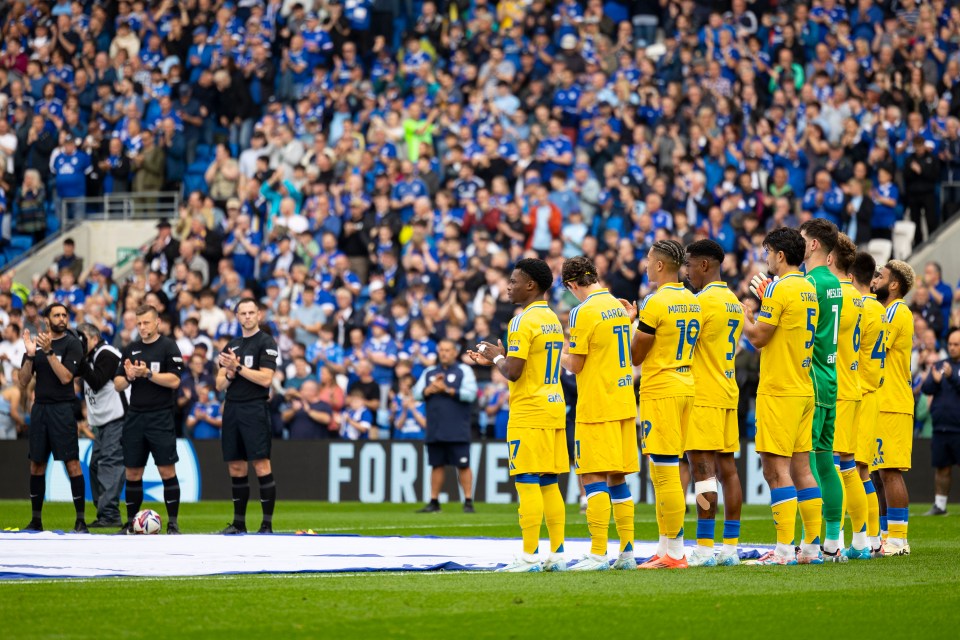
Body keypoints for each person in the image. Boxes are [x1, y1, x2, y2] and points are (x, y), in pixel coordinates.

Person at [468, 258, 568, 573]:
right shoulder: (551, 318)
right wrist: (499, 358)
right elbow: (525, 362)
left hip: (529, 409)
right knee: (550, 483)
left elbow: (514, 371)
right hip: (553, 405)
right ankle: (558, 553)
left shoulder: (521, 321)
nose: (508, 286)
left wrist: (498, 356)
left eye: (513, 281)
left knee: (526, 481)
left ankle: (529, 557)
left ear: (530, 285)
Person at [743, 227, 824, 565]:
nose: (766, 258)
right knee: (803, 468)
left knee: (776, 470)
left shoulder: (779, 288)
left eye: (767, 252)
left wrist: (744, 317)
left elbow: (760, 337)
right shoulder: (808, 287)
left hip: (779, 389)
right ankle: (811, 548)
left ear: (779, 254)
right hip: (804, 386)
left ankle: (782, 551)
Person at [620, 240, 701, 570]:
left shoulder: (656, 301)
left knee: (665, 473)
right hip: (686, 384)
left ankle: (676, 552)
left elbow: (635, 355)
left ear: (659, 266)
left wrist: (631, 322)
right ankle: (666, 546)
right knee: (668, 469)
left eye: (648, 260)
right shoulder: (691, 299)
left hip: (662, 389)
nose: (644, 265)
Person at [559, 255, 639, 571]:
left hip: (597, 402)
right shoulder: (618, 307)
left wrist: (556, 354)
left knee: (592, 475)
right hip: (622, 400)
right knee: (617, 477)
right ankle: (628, 552)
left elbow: (576, 364)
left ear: (571, 284)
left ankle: (597, 553)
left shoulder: (582, 311)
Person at [682, 239, 744, 567]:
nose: (687, 272)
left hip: (703, 392)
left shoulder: (700, 302)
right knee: (728, 470)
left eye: (689, 265)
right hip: (727, 389)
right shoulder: (734, 300)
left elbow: (684, 346)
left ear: (704, 265)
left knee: (703, 469)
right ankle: (730, 547)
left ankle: (705, 548)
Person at [113, 305, 185, 535]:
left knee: (166, 470)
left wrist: (148, 374)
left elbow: (174, 381)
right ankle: (131, 523)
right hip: (135, 416)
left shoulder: (168, 346)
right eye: (139, 323)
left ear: (157, 323)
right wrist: (129, 376)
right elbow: (117, 384)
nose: (142, 327)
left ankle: (173, 523)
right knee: (133, 472)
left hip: (160, 416)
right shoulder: (131, 349)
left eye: (146, 323)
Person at [798, 218, 845, 561]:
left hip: (811, 378)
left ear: (813, 245)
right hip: (831, 377)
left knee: (807, 463)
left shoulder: (808, 284)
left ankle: (811, 542)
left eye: (801, 239)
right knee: (827, 462)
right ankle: (833, 541)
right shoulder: (836, 284)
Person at [19, 303, 87, 532]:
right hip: (40, 410)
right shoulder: (36, 345)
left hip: (63, 409)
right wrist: (30, 356)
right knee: (36, 465)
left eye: (64, 315)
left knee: (72, 464)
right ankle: (36, 520)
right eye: (56, 315)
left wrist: (48, 352)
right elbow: (23, 380)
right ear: (47, 320)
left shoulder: (72, 343)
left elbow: (66, 377)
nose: (62, 318)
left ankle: (80, 520)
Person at [216, 298, 280, 534]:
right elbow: (219, 383)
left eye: (251, 312)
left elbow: (266, 379)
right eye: (243, 313)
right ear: (237, 316)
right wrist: (231, 372)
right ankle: (239, 523)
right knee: (235, 466)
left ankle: (266, 525)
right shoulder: (231, 345)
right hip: (232, 407)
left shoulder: (266, 342)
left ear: (259, 315)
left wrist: (238, 368)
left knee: (261, 464)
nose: (247, 317)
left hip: (255, 407)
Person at [826, 235, 871, 559]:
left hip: (837, 387)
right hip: (853, 385)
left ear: (830, 258)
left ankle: (834, 540)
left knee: (831, 466)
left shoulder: (835, 293)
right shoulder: (858, 296)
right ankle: (860, 540)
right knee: (848, 466)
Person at [872, 260, 916, 557]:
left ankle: (899, 538)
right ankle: (888, 535)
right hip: (881, 400)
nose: (875, 280)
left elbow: (875, 347)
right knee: (877, 472)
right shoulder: (889, 311)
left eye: (880, 276)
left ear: (895, 284)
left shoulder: (897, 311)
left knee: (890, 471)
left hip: (893, 402)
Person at [413, 338, 478, 514]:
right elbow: (416, 393)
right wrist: (429, 390)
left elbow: (471, 394)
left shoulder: (464, 370)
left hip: (457, 427)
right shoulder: (429, 372)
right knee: (436, 464)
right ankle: (434, 501)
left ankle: (468, 501)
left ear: (455, 352)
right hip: (435, 427)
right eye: (441, 350)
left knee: (463, 465)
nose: (444, 353)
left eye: (448, 350)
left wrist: (447, 389)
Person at [849, 252, 885, 557]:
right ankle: (872, 538)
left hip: (859, 392)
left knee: (855, 469)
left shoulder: (861, 307)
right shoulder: (879, 308)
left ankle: (865, 538)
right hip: (871, 391)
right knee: (862, 470)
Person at [77, 322, 126, 528]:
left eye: (82, 339)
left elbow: (96, 381)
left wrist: (78, 361)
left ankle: (109, 514)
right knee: (96, 465)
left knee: (109, 464)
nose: (79, 344)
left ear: (94, 338)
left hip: (118, 418)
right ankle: (105, 511)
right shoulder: (89, 358)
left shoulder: (107, 353)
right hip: (101, 422)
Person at [921, 328, 960, 516]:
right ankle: (940, 505)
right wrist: (935, 381)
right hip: (941, 428)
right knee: (942, 468)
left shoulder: (953, 370)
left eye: (956, 345)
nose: (952, 348)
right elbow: (926, 389)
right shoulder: (940, 364)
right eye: (950, 344)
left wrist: (952, 376)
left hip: (958, 428)